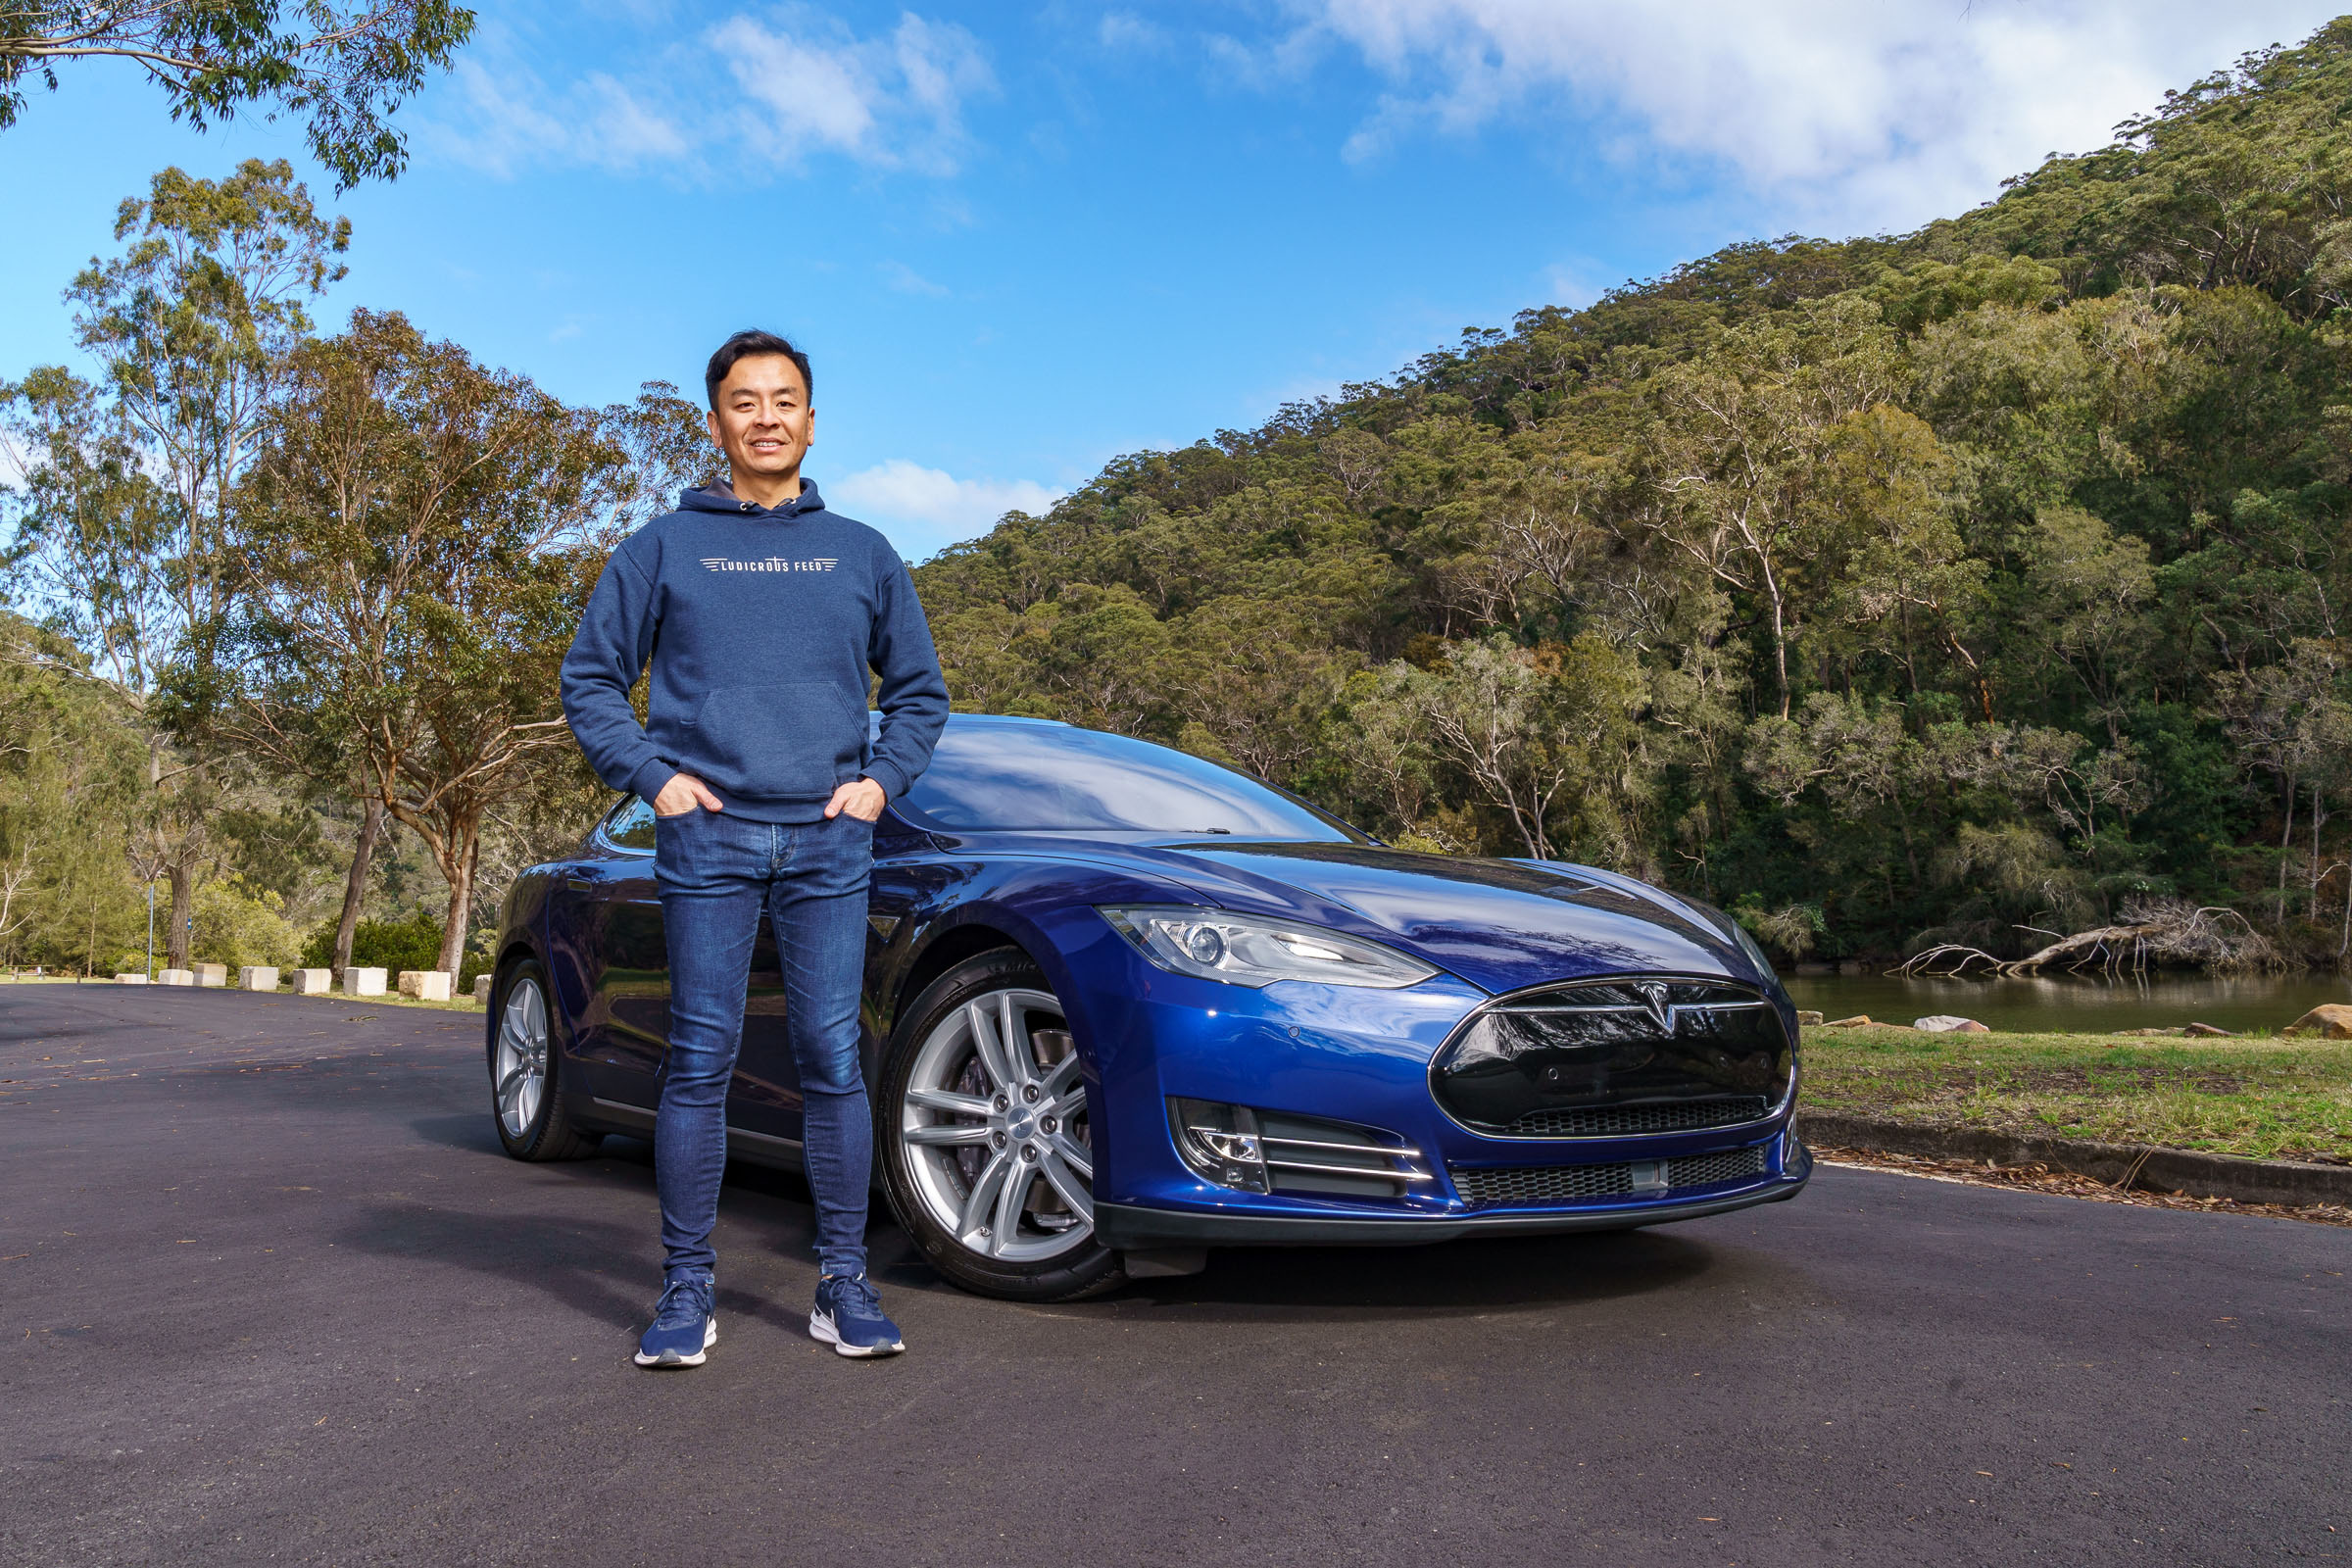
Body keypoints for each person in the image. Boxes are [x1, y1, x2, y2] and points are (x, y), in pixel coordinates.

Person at [560, 329, 948, 1366]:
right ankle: (686, 1293)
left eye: (784, 400)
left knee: (830, 1059)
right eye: (744, 401)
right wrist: (656, 781)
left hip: (829, 843)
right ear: (717, 421)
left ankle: (843, 1284)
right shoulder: (661, 549)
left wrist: (880, 784)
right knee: (700, 1061)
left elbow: (920, 693)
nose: (765, 416)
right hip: (709, 841)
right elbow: (590, 680)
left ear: (812, 420)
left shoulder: (861, 552)